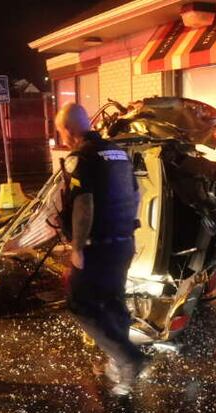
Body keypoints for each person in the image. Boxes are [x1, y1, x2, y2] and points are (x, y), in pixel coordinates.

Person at [55, 102, 148, 395]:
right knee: (113, 301)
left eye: (61, 132)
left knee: (80, 304)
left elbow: (84, 204)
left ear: (68, 130)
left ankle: (128, 359)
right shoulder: (118, 153)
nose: (62, 138)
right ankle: (118, 365)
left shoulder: (81, 158)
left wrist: (77, 247)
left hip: (97, 247)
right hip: (124, 242)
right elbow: (137, 193)